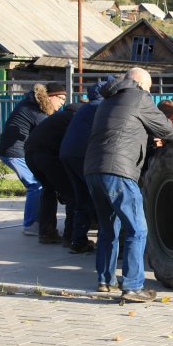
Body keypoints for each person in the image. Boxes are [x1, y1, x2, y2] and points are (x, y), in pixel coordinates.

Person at [84, 67, 173, 302]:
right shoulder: (137, 96)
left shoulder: (108, 99)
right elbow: (166, 128)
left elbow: (123, 128)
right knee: (137, 229)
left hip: (93, 170)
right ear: (139, 84)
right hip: (119, 171)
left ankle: (105, 280)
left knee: (108, 228)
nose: (149, 92)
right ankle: (133, 286)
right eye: (149, 88)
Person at [0, 82, 66, 235]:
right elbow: (48, 135)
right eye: (60, 98)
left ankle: (38, 222)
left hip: (18, 150)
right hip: (14, 151)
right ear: (50, 97)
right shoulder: (36, 111)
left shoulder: (35, 105)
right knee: (36, 185)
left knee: (40, 184)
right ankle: (31, 225)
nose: (62, 102)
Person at [59, 78, 111, 253]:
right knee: (102, 199)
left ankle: (77, 240)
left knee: (81, 198)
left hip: (67, 154)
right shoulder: (103, 107)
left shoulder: (86, 108)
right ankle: (108, 245)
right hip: (84, 155)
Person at [24, 102, 81, 245]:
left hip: (30, 155)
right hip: (48, 156)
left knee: (48, 190)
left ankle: (46, 233)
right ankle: (71, 237)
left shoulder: (59, 116)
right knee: (72, 195)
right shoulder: (75, 119)